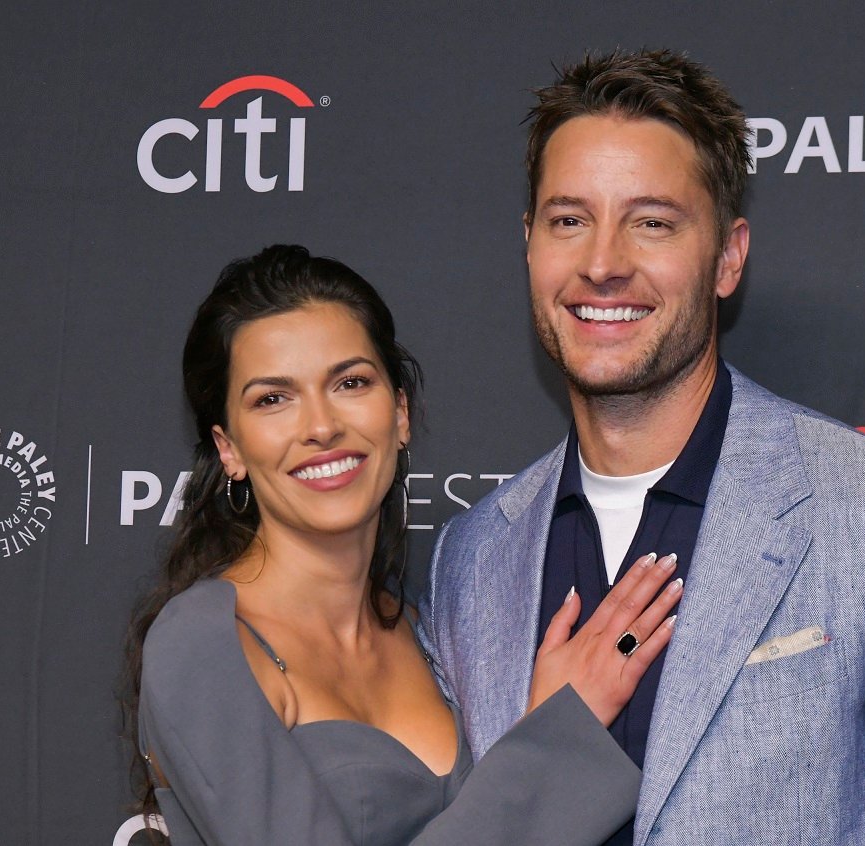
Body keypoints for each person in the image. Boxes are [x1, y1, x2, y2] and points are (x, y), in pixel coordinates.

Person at [419, 49, 865, 845]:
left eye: (651, 222)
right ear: (530, 244)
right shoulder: (472, 558)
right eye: (569, 220)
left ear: (727, 257)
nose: (602, 263)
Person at [123, 244, 684, 846]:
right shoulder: (203, 641)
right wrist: (551, 740)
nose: (320, 426)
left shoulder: (429, 630)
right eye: (273, 399)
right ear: (229, 448)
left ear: (400, 413)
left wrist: (539, 728)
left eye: (350, 382)